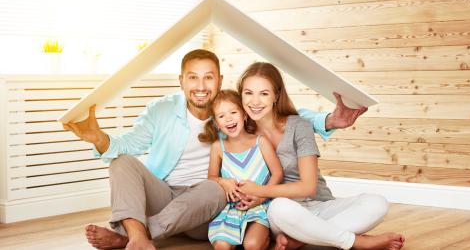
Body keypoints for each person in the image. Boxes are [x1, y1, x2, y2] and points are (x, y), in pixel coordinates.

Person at [62, 49, 366, 250]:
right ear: (181, 81)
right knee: (122, 162)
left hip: (209, 203)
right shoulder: (161, 109)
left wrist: (329, 120)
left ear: (219, 81)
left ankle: (132, 235)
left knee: (215, 186)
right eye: (193, 77)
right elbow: (125, 145)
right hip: (166, 195)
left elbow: (284, 114)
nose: (201, 85)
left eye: (208, 77)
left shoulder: (232, 110)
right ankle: (139, 236)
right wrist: (97, 137)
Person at [235, 62, 405, 250]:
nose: (255, 101)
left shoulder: (299, 125)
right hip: (284, 215)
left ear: (276, 96)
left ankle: (303, 239)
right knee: (279, 207)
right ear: (240, 94)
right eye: (248, 93)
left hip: (320, 206)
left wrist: (260, 190)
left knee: (377, 203)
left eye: (264, 93)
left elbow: (308, 187)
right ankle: (357, 242)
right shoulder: (239, 131)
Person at [198, 89, 283, 250]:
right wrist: (223, 182)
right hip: (232, 209)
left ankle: (265, 237)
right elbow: (211, 177)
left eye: (233, 112)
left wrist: (261, 195)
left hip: (260, 205)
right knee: (221, 246)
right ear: (216, 123)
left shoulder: (261, 142)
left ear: (244, 114)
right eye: (221, 116)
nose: (228, 118)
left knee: (251, 245)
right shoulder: (218, 147)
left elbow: (278, 173)